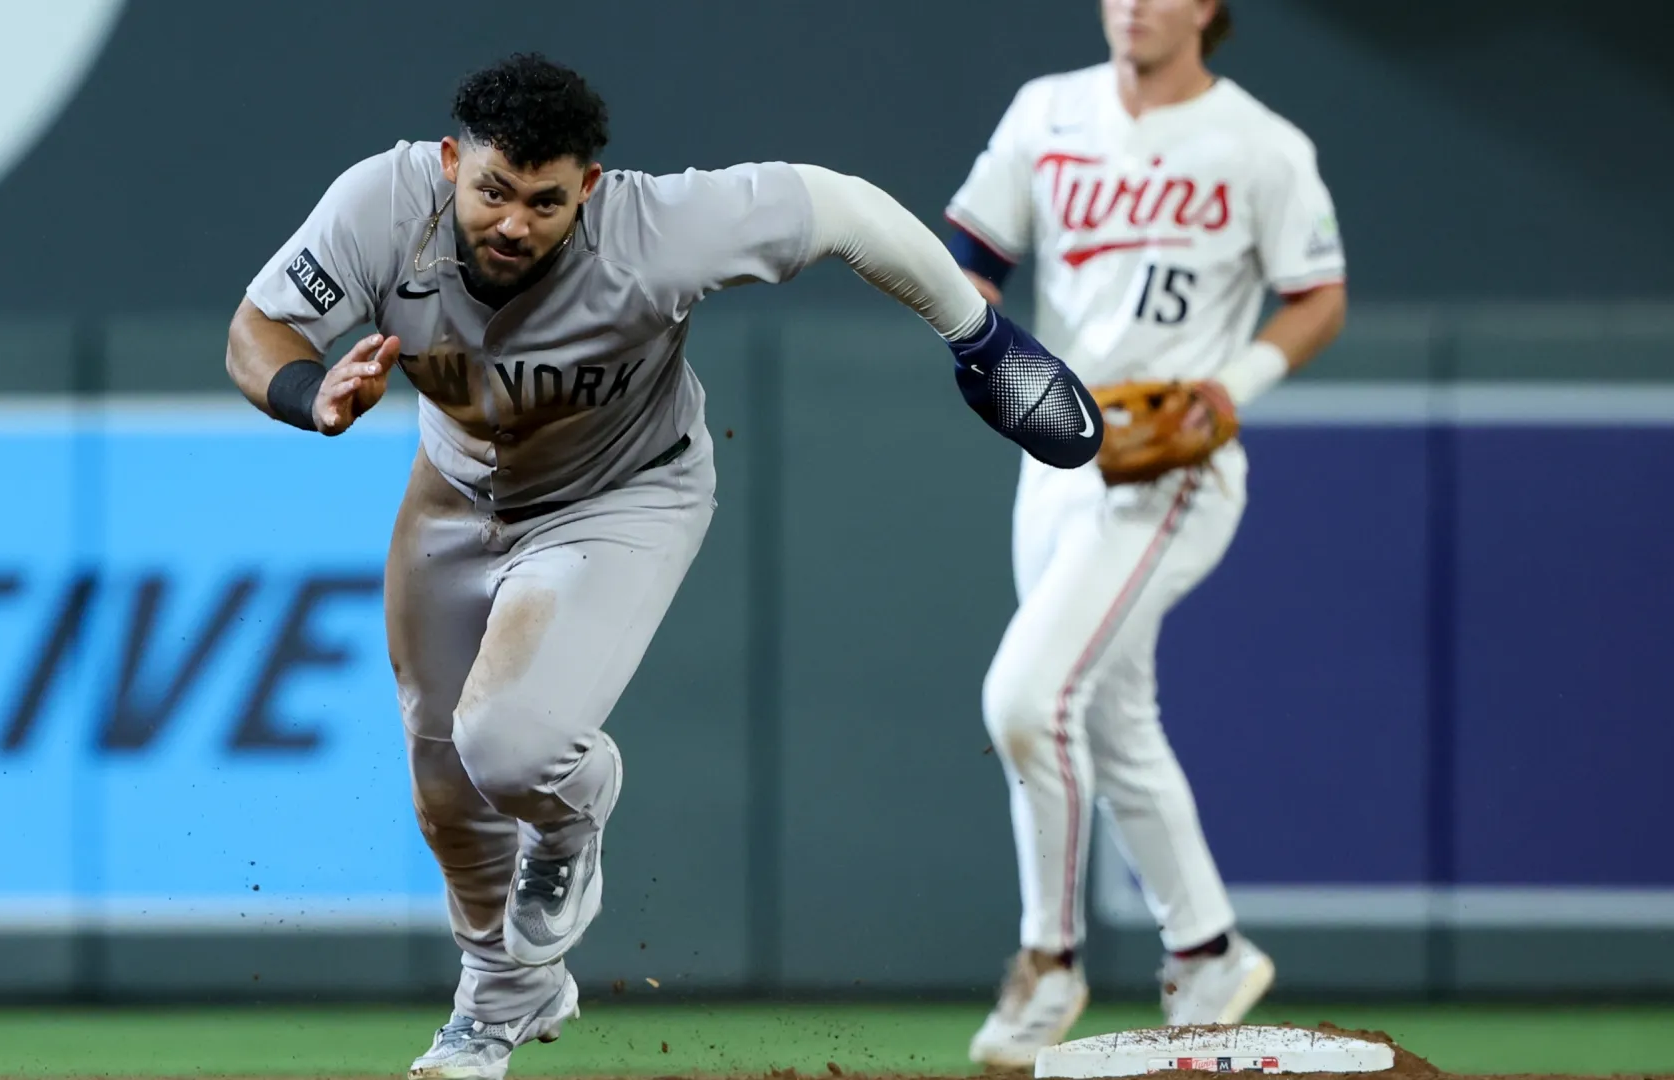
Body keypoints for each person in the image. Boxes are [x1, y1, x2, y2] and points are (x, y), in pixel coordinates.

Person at [224, 52, 1101, 1080]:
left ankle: (572, 813)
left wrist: (979, 334)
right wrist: (307, 392)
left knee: (508, 745)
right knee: (442, 782)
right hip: (453, 492)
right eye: (493, 189)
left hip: (622, 496)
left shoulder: (661, 228)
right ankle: (496, 1004)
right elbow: (257, 329)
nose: (512, 220)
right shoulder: (383, 201)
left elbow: (844, 208)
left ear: (587, 188)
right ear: (452, 161)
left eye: (544, 201)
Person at [941, 0, 1349, 1066]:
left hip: (1175, 466)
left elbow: (1317, 294)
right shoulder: (1049, 112)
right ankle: (1208, 950)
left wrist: (1232, 387)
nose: (1134, 4)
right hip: (1061, 456)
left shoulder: (1261, 144)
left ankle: (1049, 960)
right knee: (1114, 717)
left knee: (1026, 698)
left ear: (1209, 7)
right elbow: (971, 254)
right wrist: (987, 343)